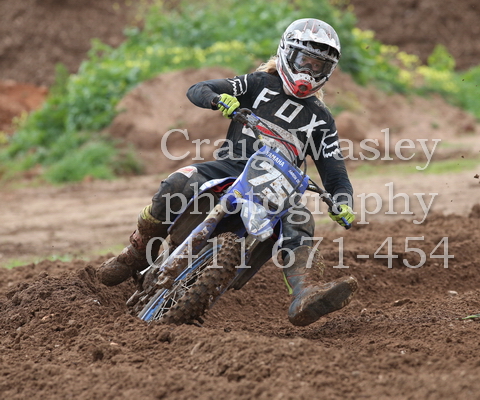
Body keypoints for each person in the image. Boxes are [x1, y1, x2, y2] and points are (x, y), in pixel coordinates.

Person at [97, 18, 358, 327]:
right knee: (178, 182)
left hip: (279, 188)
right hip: (232, 166)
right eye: (304, 61)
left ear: (328, 71)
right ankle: (138, 250)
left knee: (301, 220)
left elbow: (335, 174)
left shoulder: (321, 119)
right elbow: (198, 88)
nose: (308, 72)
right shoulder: (259, 84)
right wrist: (218, 99)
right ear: (287, 54)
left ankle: (304, 293)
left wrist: (343, 202)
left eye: (318, 66)